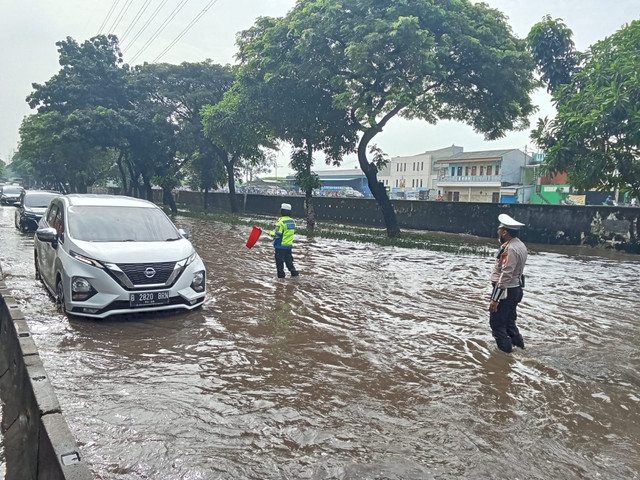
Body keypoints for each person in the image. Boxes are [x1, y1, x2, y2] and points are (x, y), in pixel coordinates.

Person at [489, 214, 528, 353]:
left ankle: (506, 357)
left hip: (506, 291)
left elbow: (506, 274)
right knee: (509, 323)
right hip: (516, 289)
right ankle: (521, 350)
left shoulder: (510, 249)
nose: (497, 232)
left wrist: (495, 298)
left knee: (497, 325)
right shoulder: (519, 245)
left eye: (499, 229)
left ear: (505, 232)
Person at [269, 203, 299, 279]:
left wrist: (270, 233)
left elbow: (277, 234)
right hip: (288, 246)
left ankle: (280, 281)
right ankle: (295, 276)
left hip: (280, 246)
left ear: (282, 211)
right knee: (289, 263)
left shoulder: (281, 221)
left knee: (280, 265)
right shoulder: (292, 221)